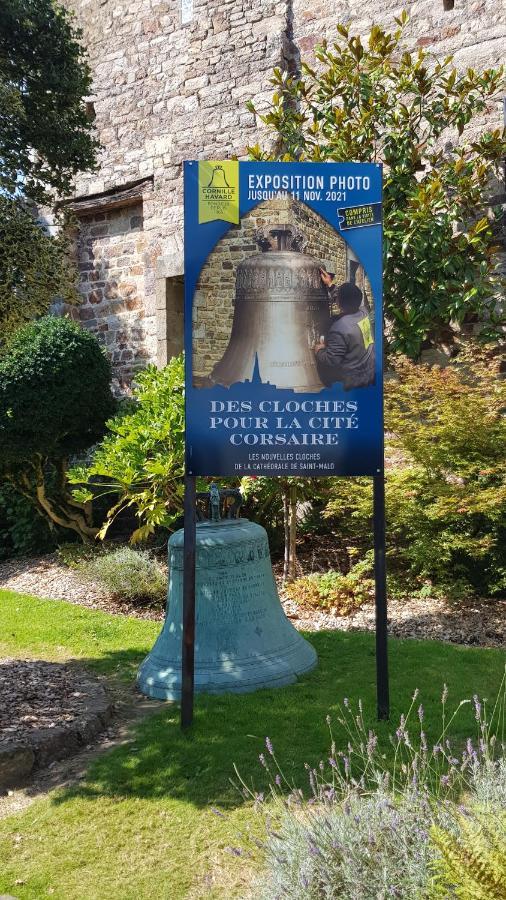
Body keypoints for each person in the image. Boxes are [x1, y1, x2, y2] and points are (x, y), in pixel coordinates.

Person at [314, 271, 375, 390]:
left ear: (339, 303)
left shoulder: (340, 328)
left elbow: (331, 360)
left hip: (354, 381)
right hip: (369, 371)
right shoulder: (364, 312)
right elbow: (346, 299)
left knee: (323, 369)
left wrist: (319, 351)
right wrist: (330, 285)